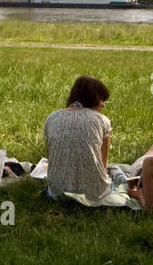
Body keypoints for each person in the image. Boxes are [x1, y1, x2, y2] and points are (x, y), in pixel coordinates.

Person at [43, 75, 113, 203]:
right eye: (102, 99)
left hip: (57, 193)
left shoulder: (51, 118)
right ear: (93, 98)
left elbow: (51, 159)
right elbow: (103, 164)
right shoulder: (102, 121)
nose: (103, 105)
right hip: (94, 194)